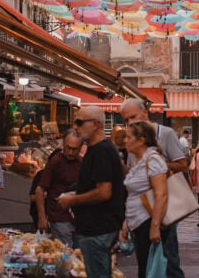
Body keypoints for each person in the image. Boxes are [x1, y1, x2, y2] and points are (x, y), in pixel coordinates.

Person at [121, 99, 187, 278]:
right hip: (139, 215)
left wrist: (157, 167)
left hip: (157, 213)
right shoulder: (133, 145)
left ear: (145, 113)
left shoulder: (165, 134)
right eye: (126, 120)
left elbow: (182, 164)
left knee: (168, 263)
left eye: (133, 117)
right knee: (148, 265)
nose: (130, 122)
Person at [58, 107, 124, 278]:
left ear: (95, 125)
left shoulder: (101, 151)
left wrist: (72, 200)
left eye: (79, 122)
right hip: (95, 228)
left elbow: (103, 192)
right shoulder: (97, 149)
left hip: (98, 229)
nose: (76, 127)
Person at [120, 121, 169, 278]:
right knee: (144, 267)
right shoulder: (138, 161)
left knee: (148, 270)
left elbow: (161, 194)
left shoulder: (153, 160)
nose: (125, 140)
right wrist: (126, 222)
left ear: (140, 140)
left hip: (146, 222)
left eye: (128, 137)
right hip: (137, 222)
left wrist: (154, 226)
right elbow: (134, 195)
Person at [35, 129, 83, 248]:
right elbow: (40, 189)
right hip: (59, 217)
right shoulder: (56, 161)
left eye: (75, 149)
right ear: (63, 144)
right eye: (68, 148)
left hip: (79, 218)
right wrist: (42, 217)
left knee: (79, 254)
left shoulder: (82, 162)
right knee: (66, 253)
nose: (71, 152)